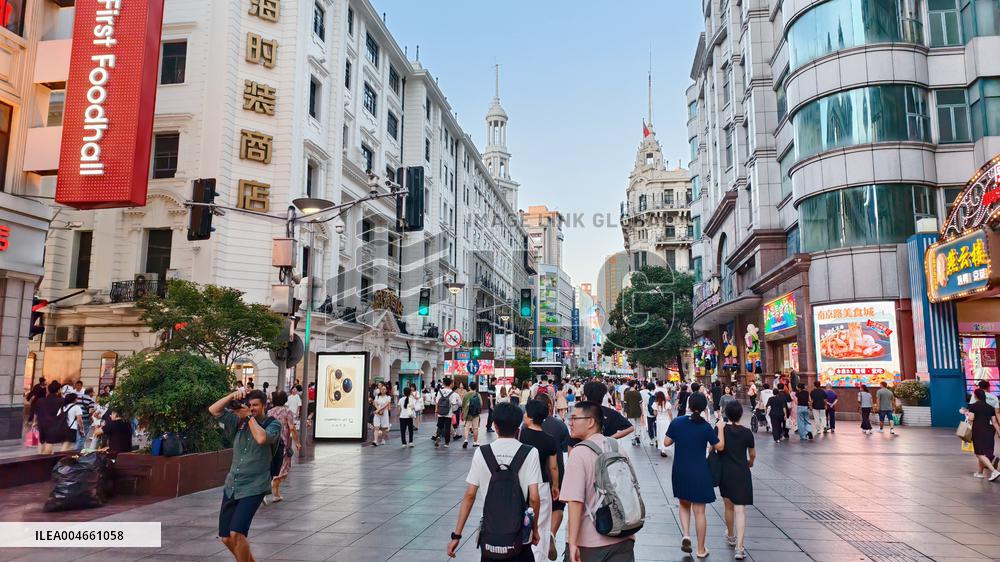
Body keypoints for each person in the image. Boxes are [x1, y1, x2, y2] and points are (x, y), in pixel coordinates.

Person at [446, 402, 541, 561]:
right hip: (520, 535)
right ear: (519, 425)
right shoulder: (531, 452)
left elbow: (470, 495)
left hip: (491, 535)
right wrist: (535, 528)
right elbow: (534, 498)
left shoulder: (482, 453)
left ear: (495, 426)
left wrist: (457, 535)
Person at [208, 388, 281, 562]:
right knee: (225, 537)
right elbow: (213, 410)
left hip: (255, 485)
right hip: (232, 484)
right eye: (249, 405)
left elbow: (261, 438)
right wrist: (233, 396)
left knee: (237, 533)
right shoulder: (238, 421)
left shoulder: (273, 423)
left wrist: (249, 417)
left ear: (264, 406)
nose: (252, 408)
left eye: (255, 405)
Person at [563, 401, 636, 562]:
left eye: (574, 418)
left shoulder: (579, 453)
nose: (570, 422)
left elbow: (575, 502)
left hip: (590, 543)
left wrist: (573, 542)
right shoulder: (617, 447)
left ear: (590, 422)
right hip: (624, 536)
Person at [663, 392, 722, 558]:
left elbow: (666, 442)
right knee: (700, 511)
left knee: (684, 504)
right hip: (700, 471)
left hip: (680, 469)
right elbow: (718, 446)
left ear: (688, 405)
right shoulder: (705, 426)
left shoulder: (677, 422)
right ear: (704, 407)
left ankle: (686, 534)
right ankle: (701, 549)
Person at [520, 400, 560, 562]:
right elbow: (553, 467)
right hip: (542, 485)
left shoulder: (522, 435)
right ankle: (539, 558)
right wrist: (555, 485)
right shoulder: (550, 439)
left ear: (529, 417)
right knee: (542, 526)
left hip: (522, 484)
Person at [717, 401, 755, 560]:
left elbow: (716, 447)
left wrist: (719, 428)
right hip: (741, 473)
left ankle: (731, 535)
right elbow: (752, 454)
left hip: (725, 473)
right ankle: (739, 548)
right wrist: (750, 463)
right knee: (740, 509)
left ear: (726, 414)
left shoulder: (721, 429)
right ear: (740, 414)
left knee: (728, 505)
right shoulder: (747, 433)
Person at [534, 393, 569, 561]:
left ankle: (537, 537)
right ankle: (551, 534)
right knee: (558, 507)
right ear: (550, 406)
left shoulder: (528, 426)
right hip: (557, 472)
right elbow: (565, 449)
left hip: (535, 475)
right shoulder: (560, 425)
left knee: (536, 510)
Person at [265, 391, 300, 503]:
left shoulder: (269, 411)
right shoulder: (287, 412)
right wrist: (297, 442)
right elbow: (292, 428)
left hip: (270, 443)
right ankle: (269, 488)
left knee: (272, 466)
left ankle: (275, 494)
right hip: (283, 444)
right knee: (283, 468)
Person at [962, 389, 1000, 480]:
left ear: (975, 396)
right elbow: (994, 422)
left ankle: (994, 471)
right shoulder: (990, 407)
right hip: (989, 431)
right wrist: (999, 432)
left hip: (978, 432)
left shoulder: (973, 406)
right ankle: (980, 472)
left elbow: (971, 419)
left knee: (979, 453)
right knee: (983, 453)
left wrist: (966, 413)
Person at [35, 381, 64, 454]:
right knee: (49, 443)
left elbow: (36, 412)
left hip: (41, 423)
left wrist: (34, 422)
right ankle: (43, 460)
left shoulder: (41, 400)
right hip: (53, 424)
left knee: (41, 441)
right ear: (58, 390)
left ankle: (40, 456)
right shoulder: (61, 401)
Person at [435, 377, 461, 448]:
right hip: (448, 413)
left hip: (440, 412)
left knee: (439, 426)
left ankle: (438, 436)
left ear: (443, 383)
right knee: (447, 427)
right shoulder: (453, 393)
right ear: (451, 384)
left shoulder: (440, 391)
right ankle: (446, 443)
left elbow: (437, 402)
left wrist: (436, 410)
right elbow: (458, 403)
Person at [462, 382, 483, 448]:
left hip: (468, 413)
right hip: (476, 413)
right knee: (475, 428)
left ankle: (465, 440)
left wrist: (463, 411)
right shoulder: (478, 394)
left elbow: (463, 404)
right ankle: (475, 442)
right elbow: (481, 404)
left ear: (469, 387)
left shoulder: (466, 394)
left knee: (466, 426)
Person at [622, 382, 643, 446]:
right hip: (638, 411)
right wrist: (642, 412)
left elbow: (625, 404)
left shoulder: (627, 393)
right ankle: (637, 436)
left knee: (632, 425)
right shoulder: (638, 393)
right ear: (635, 385)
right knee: (638, 424)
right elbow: (640, 404)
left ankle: (633, 439)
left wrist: (624, 411)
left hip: (630, 412)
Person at [653, 391, 672, 457]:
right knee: (666, 434)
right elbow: (670, 413)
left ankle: (662, 449)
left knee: (660, 434)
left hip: (659, 420)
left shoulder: (655, 404)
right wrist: (671, 420)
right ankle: (665, 447)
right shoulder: (667, 404)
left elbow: (655, 414)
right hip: (666, 420)